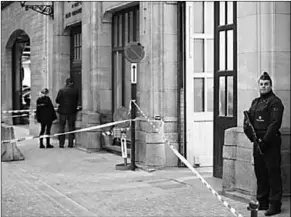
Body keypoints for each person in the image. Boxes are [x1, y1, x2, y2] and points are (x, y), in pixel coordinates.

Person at [243, 72, 284, 216]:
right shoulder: (255, 102)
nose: (263, 86)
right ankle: (263, 201)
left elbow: (274, 124)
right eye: (261, 84)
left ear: (271, 85)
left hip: (270, 142)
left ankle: (275, 205)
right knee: (260, 173)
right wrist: (252, 137)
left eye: (266, 84)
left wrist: (265, 141)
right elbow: (248, 122)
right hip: (257, 142)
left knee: (273, 174)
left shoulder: (275, 102)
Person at [56, 78, 79, 148]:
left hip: (62, 112)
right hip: (72, 111)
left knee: (61, 127)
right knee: (71, 127)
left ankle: (61, 144)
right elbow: (77, 100)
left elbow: (57, 100)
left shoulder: (61, 90)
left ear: (66, 83)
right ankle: (70, 144)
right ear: (72, 83)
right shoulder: (75, 91)